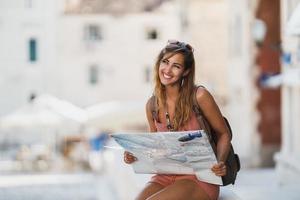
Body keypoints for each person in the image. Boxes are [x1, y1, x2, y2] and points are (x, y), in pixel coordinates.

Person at [124, 40, 231, 200]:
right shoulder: (152, 105)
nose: (167, 70)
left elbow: (224, 134)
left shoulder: (200, 96)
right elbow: (155, 148)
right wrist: (135, 155)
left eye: (176, 66)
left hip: (199, 177)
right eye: (165, 62)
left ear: (186, 71)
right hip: (165, 176)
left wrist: (220, 163)